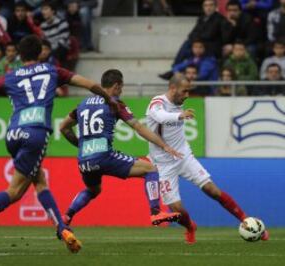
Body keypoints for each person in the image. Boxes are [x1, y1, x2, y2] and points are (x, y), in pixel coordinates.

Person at [0, 35, 118, 253]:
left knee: (38, 180)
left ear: (20, 55)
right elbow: (89, 84)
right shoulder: (52, 71)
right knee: (14, 192)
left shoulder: (10, 76)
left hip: (13, 134)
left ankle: (62, 228)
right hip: (35, 134)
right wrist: (108, 100)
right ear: (41, 51)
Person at [145, 73, 269, 244]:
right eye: (184, 91)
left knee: (213, 190)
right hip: (163, 164)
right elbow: (160, 117)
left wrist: (180, 115)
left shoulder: (179, 103)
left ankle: (248, 222)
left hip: (184, 156)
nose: (187, 95)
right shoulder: (157, 103)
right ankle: (190, 226)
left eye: (189, 91)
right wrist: (180, 116)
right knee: (176, 210)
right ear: (173, 88)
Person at [59, 69, 182, 226]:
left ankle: (67, 216)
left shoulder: (82, 104)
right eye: (121, 88)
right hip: (103, 156)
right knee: (151, 169)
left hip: (84, 160)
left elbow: (63, 127)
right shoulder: (114, 103)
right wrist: (163, 145)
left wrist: (81, 145)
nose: (121, 92)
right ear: (116, 86)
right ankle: (156, 213)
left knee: (93, 190)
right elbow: (138, 127)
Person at [173, 0, 233, 65]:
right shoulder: (201, 18)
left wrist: (197, 39)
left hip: (212, 46)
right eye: (206, 6)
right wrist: (196, 40)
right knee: (187, 44)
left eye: (211, 5)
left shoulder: (220, 19)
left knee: (188, 46)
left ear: (215, 7)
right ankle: (176, 68)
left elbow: (209, 35)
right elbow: (191, 34)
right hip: (200, 44)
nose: (208, 8)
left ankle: (175, 68)